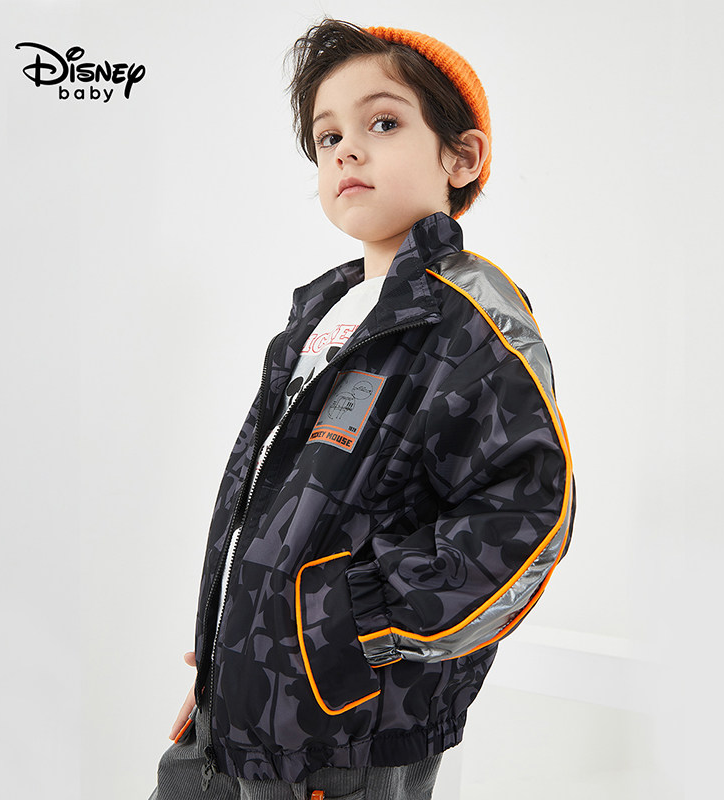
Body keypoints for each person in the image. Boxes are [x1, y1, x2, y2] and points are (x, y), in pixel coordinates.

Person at [149, 18, 575, 800]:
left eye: (382, 123)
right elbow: (274, 519)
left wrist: (343, 630)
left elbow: (525, 515)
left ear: (461, 157)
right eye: (328, 136)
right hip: (237, 714)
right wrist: (230, 668)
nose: (347, 149)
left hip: (343, 737)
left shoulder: (467, 318)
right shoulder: (324, 315)